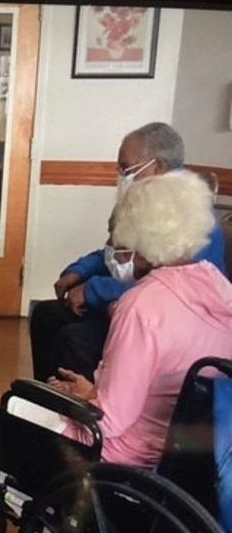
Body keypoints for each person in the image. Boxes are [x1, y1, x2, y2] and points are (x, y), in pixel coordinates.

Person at [0, 169, 232, 524]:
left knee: (12, 407)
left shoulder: (143, 307)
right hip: (187, 464)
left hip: (124, 461)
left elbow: (111, 421)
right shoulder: (219, 289)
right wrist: (89, 390)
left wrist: (85, 397)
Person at [30, 122, 227, 382]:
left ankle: (83, 401)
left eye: (126, 168)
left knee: (73, 340)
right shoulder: (147, 199)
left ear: (157, 166)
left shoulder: (192, 220)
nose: (122, 176)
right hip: (131, 301)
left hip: (168, 320)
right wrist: (80, 271)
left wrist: (93, 290)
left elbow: (165, 292)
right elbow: (117, 252)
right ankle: (42, 398)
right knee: (46, 315)